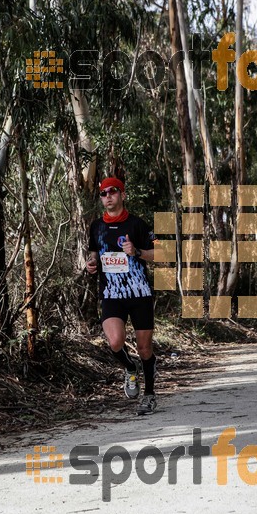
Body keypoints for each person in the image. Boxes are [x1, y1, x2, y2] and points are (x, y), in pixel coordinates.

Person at [86, 177, 158, 415]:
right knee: (115, 342)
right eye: (103, 193)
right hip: (111, 293)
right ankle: (129, 368)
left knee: (145, 349)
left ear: (123, 195)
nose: (108, 196)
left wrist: (137, 251)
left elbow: (161, 253)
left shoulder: (138, 225)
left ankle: (149, 395)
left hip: (139, 294)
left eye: (113, 191)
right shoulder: (96, 226)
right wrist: (92, 263)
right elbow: (93, 252)